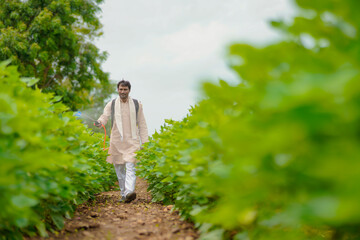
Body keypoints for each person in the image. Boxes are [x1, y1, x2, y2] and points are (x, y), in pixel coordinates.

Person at [95, 80, 148, 203]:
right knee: (119, 170)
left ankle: (129, 191)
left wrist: (145, 142)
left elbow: (142, 124)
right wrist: (100, 122)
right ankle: (124, 194)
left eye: (125, 89)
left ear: (129, 90)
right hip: (117, 141)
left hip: (132, 141)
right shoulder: (111, 104)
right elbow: (105, 116)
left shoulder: (137, 104)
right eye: (121, 89)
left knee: (130, 166)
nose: (123, 92)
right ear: (117, 90)